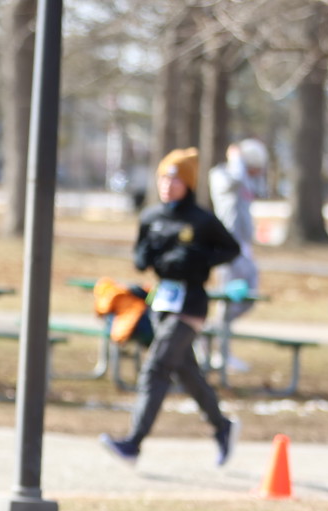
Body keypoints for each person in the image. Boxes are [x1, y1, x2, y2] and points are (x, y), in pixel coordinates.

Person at [100, 148, 241, 467]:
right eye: (163, 178)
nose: (167, 185)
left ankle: (133, 443)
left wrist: (200, 259)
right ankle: (222, 426)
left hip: (190, 303)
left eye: (174, 179)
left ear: (187, 183)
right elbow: (140, 258)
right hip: (162, 300)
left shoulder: (202, 220)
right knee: (186, 371)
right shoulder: (152, 217)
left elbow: (230, 249)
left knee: (156, 367)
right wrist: (148, 255)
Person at [208, 138, 268, 371]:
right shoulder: (222, 175)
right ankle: (219, 351)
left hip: (244, 247)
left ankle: (210, 335)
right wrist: (237, 159)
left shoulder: (245, 178)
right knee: (227, 298)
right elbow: (234, 181)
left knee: (248, 298)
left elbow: (260, 189)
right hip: (227, 248)